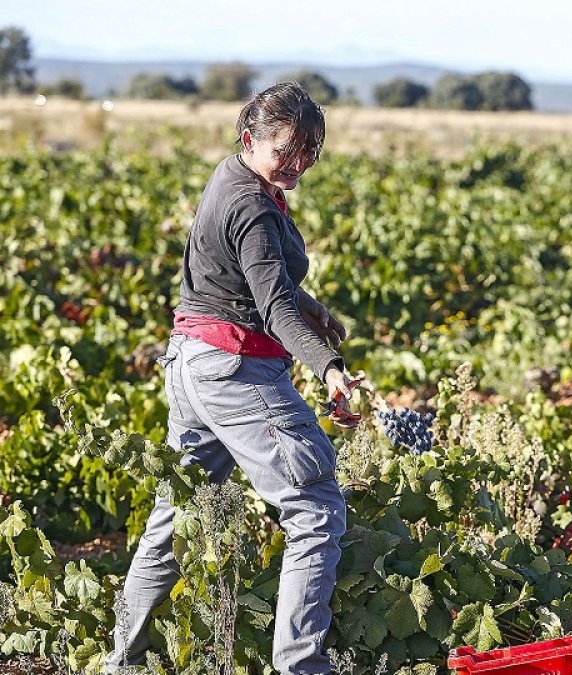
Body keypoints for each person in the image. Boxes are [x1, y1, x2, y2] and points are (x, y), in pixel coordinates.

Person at [105, 82, 358, 675]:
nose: (298, 164)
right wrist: (330, 367)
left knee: (172, 521)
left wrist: (310, 304)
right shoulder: (251, 204)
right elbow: (270, 307)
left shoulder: (234, 178)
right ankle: (301, 667)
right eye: (287, 150)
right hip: (236, 370)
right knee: (316, 510)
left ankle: (122, 663)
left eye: (310, 153)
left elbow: (253, 274)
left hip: (193, 362)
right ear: (251, 138)